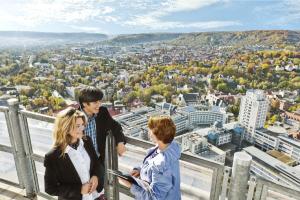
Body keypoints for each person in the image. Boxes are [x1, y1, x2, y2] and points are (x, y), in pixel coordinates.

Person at [44, 108, 104, 200]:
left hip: (95, 196)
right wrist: (79, 190)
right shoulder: (52, 156)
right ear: (66, 128)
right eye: (77, 126)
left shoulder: (87, 140)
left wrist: (96, 176)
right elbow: (50, 188)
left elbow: (97, 164)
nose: (82, 128)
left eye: (83, 125)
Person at [119, 116, 182, 200]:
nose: (149, 132)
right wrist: (140, 170)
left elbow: (154, 197)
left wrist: (131, 185)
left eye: (150, 129)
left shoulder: (162, 164)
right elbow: (152, 165)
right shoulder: (167, 147)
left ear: (158, 133)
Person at [78, 86, 126, 166]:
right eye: (95, 102)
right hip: (82, 163)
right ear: (85, 104)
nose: (99, 105)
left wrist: (120, 142)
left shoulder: (102, 112)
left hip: (99, 160)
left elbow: (115, 126)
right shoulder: (73, 118)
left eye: (99, 101)